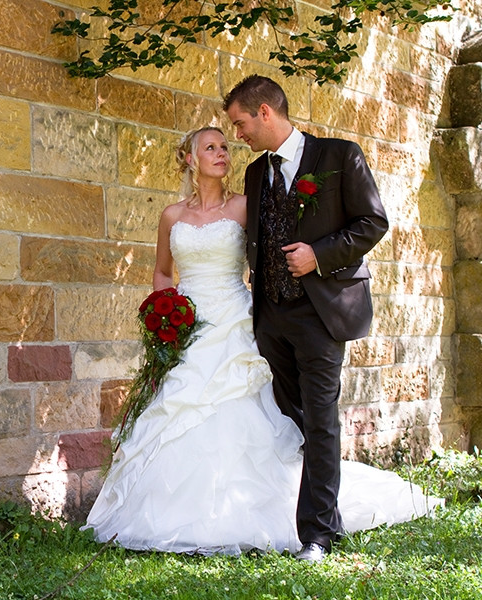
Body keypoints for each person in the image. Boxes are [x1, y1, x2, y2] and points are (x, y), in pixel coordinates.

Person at [81, 126, 441, 557]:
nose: (222, 153)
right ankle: (174, 512)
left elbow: (269, 252)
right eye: (211, 147)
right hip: (189, 325)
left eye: (226, 147)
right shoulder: (172, 216)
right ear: (190, 160)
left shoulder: (245, 206)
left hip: (236, 318)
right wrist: (165, 313)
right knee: (181, 406)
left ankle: (299, 515)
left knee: (246, 407)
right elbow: (163, 272)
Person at [223, 75, 391, 562]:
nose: (238, 135)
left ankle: (317, 534)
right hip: (270, 315)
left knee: (319, 419)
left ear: (265, 113)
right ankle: (315, 504)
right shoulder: (257, 174)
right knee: (288, 418)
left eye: (240, 124)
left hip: (321, 312)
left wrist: (319, 254)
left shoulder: (340, 156)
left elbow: (373, 222)